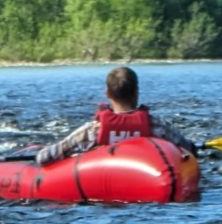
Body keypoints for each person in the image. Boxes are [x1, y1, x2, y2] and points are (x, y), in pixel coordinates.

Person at [31, 65, 197, 164]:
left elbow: (46, 157)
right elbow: (187, 148)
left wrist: (40, 153)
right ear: (136, 92)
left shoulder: (93, 130)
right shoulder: (156, 126)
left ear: (107, 93)